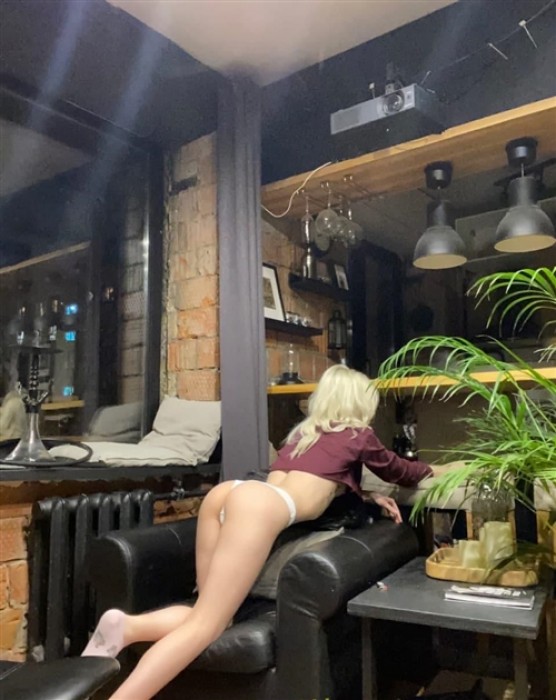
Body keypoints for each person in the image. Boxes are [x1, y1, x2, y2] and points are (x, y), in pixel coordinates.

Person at [82, 364, 433, 700]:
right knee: (204, 627)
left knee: (211, 614)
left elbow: (326, 480)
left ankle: (127, 628)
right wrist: (439, 470)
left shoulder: (303, 435)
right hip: (258, 506)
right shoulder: (358, 435)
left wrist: (366, 495)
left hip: (227, 495)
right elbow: (403, 472)